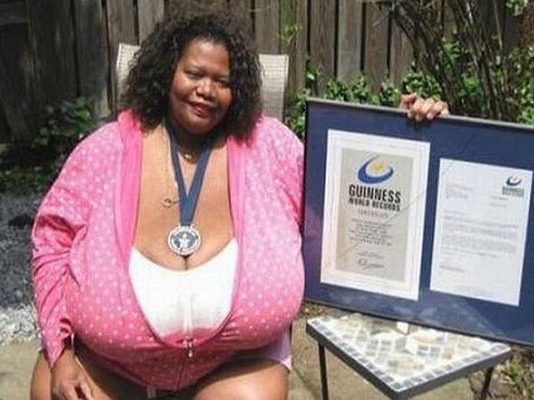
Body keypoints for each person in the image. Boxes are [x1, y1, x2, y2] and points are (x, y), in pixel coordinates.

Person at [29, 3, 448, 400]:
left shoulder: (271, 148)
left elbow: (344, 194)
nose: (206, 90)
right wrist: (61, 350)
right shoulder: (105, 151)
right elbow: (51, 243)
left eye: (223, 82)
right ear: (167, 72)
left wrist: (403, 134)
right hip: (113, 365)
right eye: (194, 73)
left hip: (232, 363)